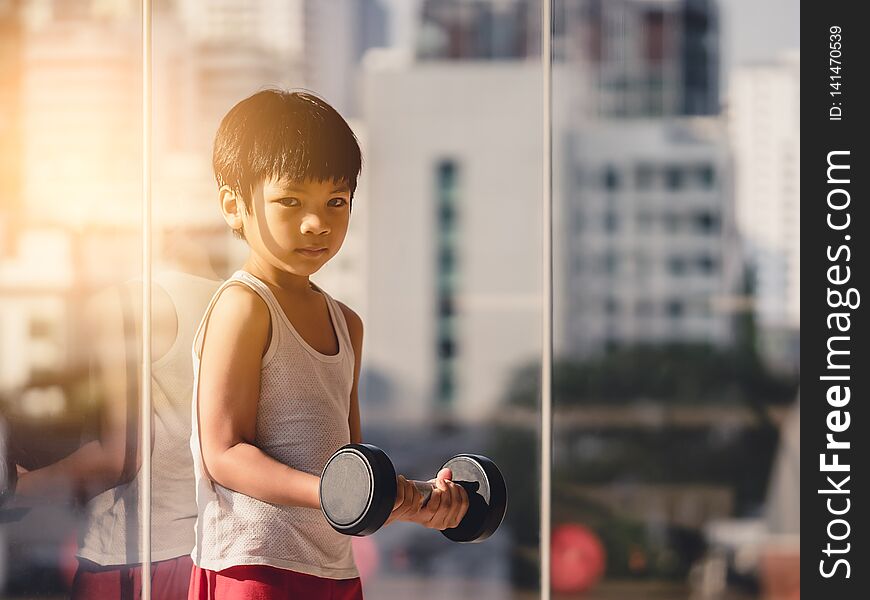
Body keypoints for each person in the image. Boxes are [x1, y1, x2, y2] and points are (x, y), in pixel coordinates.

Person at [188, 89, 469, 600]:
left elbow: (349, 469)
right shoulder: (243, 306)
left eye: (335, 201)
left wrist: (418, 500)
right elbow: (224, 452)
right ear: (233, 205)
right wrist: (331, 491)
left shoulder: (347, 324)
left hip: (335, 571)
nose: (317, 222)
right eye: (290, 201)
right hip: (254, 568)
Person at [9, 265, 220, 599]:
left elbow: (120, 456)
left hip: (129, 559)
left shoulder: (120, 301)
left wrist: (17, 488)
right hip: (203, 556)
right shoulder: (226, 294)